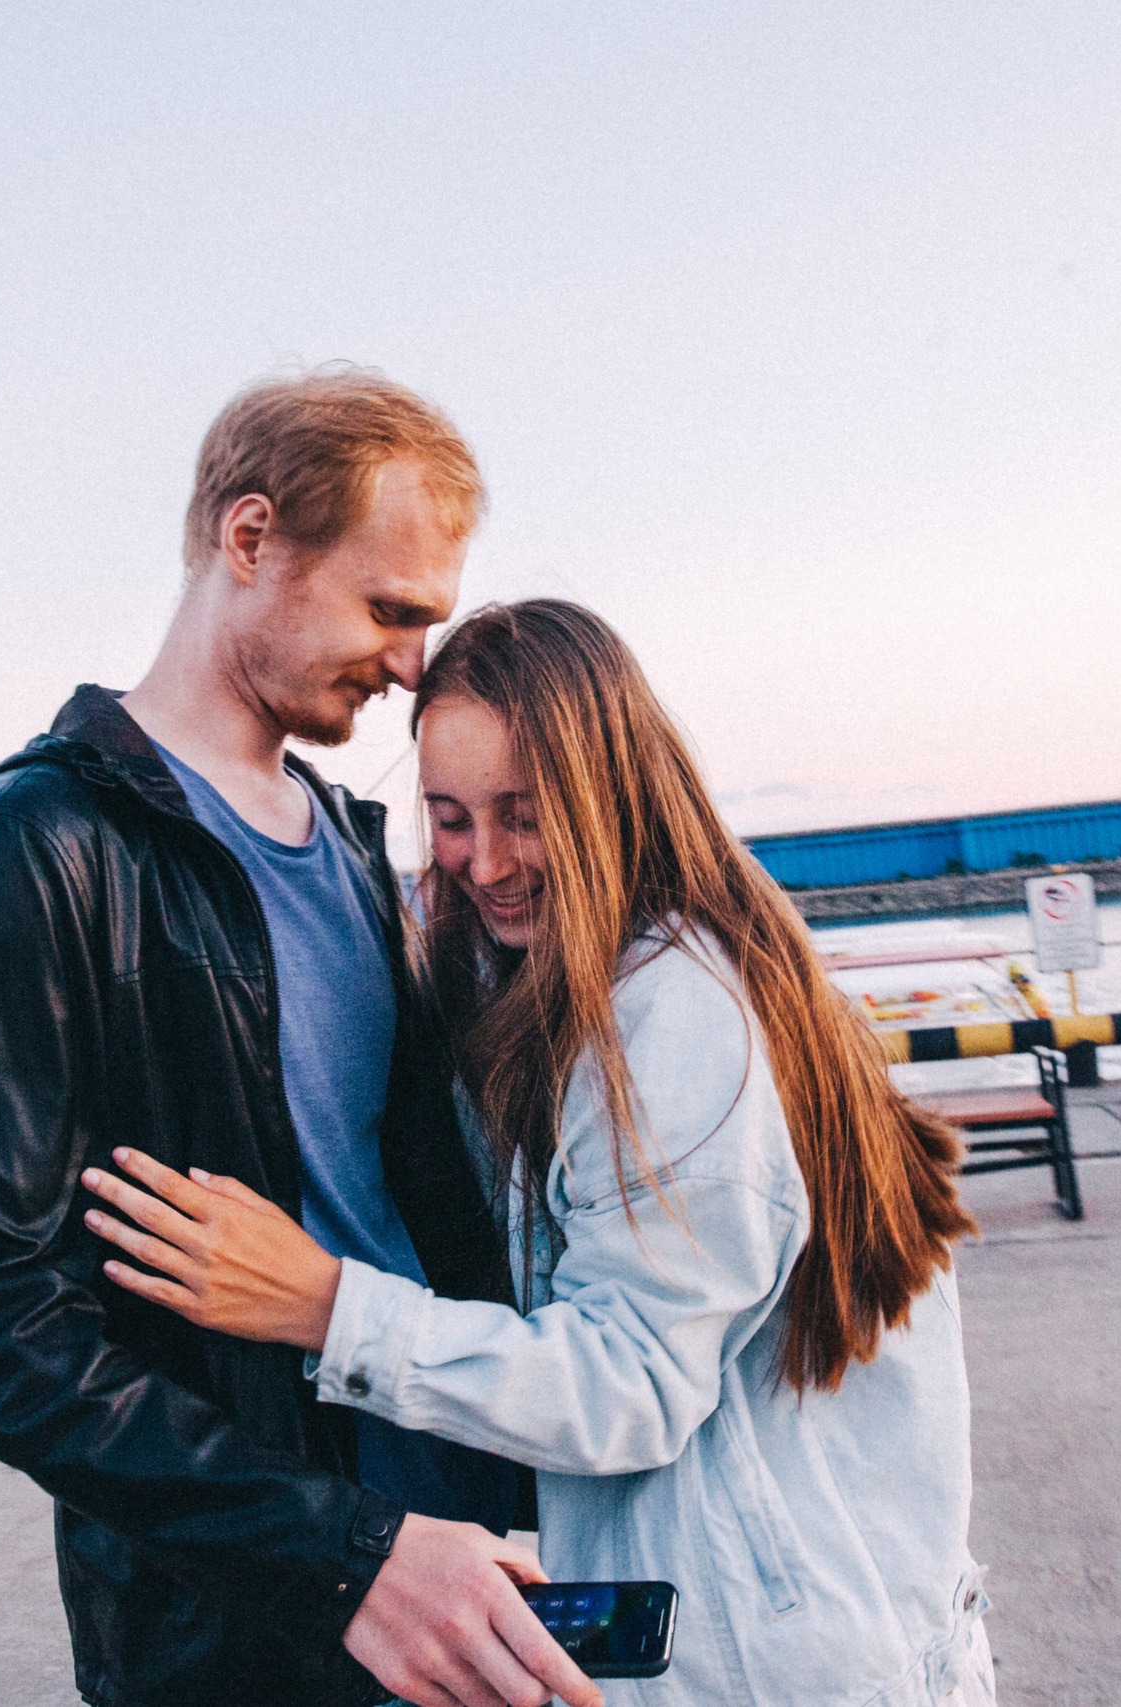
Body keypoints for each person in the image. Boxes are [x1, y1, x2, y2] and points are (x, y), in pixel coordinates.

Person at [80, 599, 997, 1705]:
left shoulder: (676, 1013)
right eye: (450, 817)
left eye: (524, 813)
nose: (484, 862)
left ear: (613, 788)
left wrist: (325, 1305)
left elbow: (632, 1385)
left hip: (766, 1664)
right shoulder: (601, 975)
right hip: (809, 1625)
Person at [0, 374, 602, 1707]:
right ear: (251, 538)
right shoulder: (41, 850)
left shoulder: (345, 840)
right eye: (390, 610)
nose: (408, 664)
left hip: (468, 1562)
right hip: (257, 1632)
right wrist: (344, 1556)